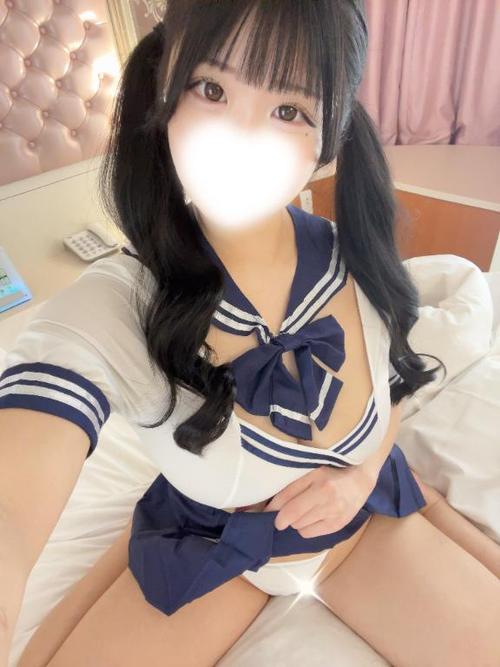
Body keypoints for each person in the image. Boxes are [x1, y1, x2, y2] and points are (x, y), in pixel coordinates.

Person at [2, 1, 500, 666]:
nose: (241, 138)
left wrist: (358, 476)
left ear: (328, 137)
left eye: (289, 109)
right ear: (163, 92)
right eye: (211, 89)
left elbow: (396, 383)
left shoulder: (356, 257)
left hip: (357, 521)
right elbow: (17, 487)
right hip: (208, 546)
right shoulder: (121, 303)